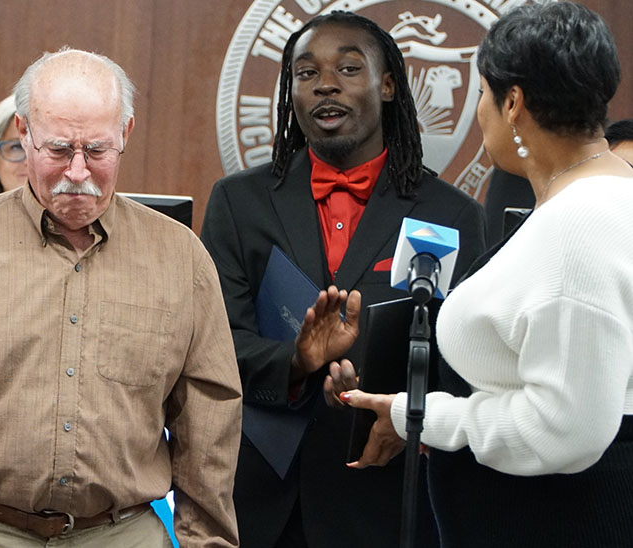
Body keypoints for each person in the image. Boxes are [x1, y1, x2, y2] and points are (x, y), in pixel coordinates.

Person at [340, 3, 633, 547]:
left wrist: (427, 418)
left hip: (556, 522)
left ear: (514, 102)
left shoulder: (581, 224)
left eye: (480, 94)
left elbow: (568, 430)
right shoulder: (598, 197)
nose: (479, 112)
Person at [0, 47, 242, 547]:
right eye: (57, 149)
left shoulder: (180, 257)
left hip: (122, 532)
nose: (77, 172)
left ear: (125, 134)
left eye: (97, 151)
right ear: (24, 132)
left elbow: (209, 419)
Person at [201, 11, 486, 548]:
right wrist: (298, 361)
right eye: (306, 74)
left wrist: (397, 408)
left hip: (386, 501)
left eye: (349, 68)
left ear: (387, 85)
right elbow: (214, 347)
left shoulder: (452, 215)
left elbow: (465, 365)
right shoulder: (239, 204)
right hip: (261, 504)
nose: (325, 83)